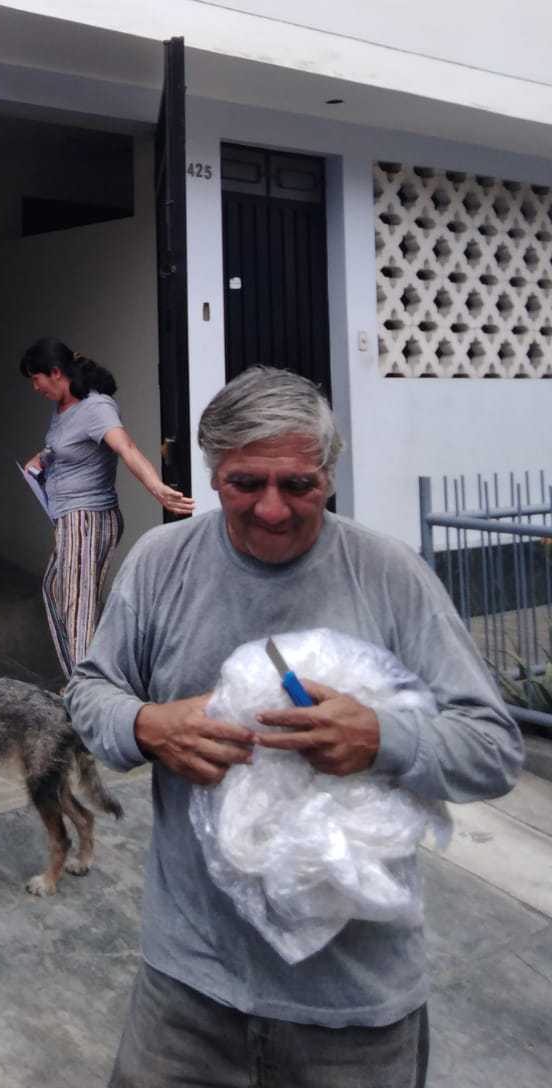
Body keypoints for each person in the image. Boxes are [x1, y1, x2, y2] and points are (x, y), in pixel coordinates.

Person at [65, 365, 522, 1088]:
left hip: (354, 1007)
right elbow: (89, 692)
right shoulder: (161, 563)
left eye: (299, 485)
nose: (272, 509)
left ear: (330, 476)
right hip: (187, 992)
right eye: (246, 483)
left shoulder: (389, 575)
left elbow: (492, 748)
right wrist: (147, 724)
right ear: (213, 473)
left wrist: (382, 738)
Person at [19, 337, 194, 679]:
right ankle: (84, 682)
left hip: (88, 519)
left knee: (78, 608)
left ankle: (86, 688)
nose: (35, 387)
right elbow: (65, 449)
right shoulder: (64, 408)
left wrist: (157, 488)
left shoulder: (96, 407)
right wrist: (40, 460)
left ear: (55, 372)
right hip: (68, 519)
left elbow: (126, 448)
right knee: (55, 591)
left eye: (36, 379)